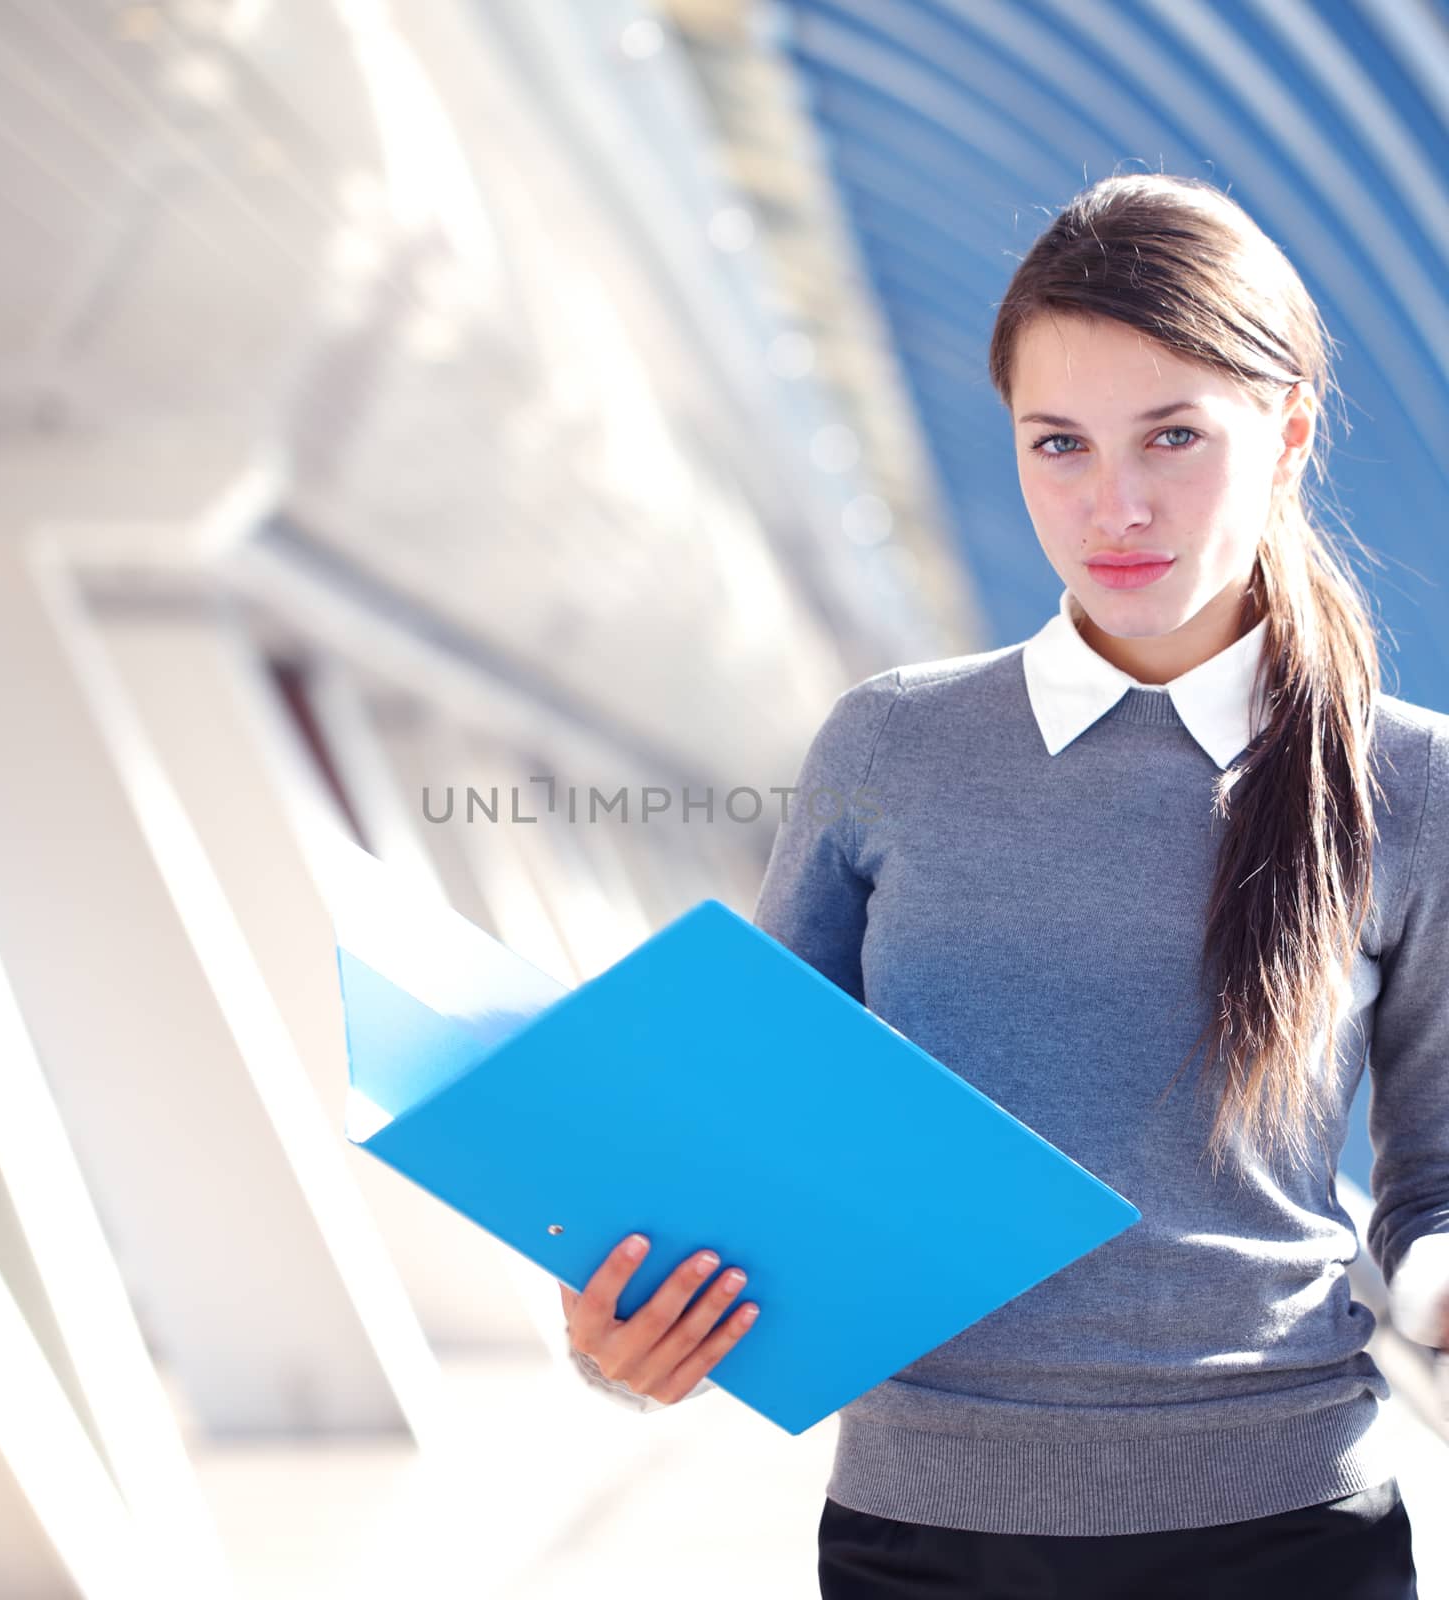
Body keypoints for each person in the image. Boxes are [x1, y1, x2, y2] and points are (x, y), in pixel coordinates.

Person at [559, 172, 1449, 1597]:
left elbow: (1436, 1186)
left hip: (1289, 1540)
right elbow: (742, 1139)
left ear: (1287, 434)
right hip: (923, 1548)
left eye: (1174, 436)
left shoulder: (1408, 784)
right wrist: (623, 1335)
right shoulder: (891, 745)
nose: (1117, 504)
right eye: (1060, 444)